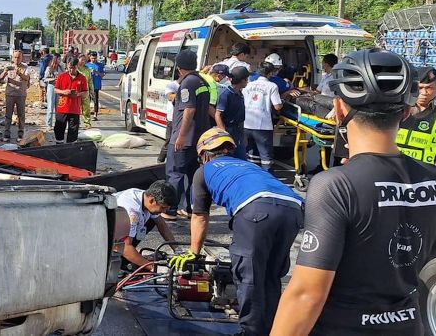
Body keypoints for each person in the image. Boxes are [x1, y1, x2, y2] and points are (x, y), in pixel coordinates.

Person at [271, 49, 436, 336]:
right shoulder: (431, 180)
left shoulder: (335, 186)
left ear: (339, 109)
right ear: (408, 111)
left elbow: (306, 295)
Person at [171, 128, 302, 336]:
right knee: (270, 274)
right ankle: (274, 329)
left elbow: (199, 216)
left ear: (204, 154)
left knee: (249, 276)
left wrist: (194, 253)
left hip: (256, 210)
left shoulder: (204, 171)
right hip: (293, 209)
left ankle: (250, 331)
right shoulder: (248, 165)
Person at [165, 49, 211, 219]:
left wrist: (181, 136)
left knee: (175, 173)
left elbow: (189, 109)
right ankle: (188, 208)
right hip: (198, 139)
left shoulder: (187, 84)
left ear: (179, 67)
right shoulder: (202, 82)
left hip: (184, 138)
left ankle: (170, 210)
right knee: (192, 175)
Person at [114, 181, 177, 270]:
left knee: (154, 218)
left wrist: (177, 250)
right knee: (125, 249)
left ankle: (132, 258)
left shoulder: (146, 197)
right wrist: (153, 268)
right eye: (163, 207)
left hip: (120, 234)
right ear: (152, 200)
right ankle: (123, 260)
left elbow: (162, 225)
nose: (164, 211)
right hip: (106, 242)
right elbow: (124, 247)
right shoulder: (132, 211)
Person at [243, 60, 283, 171]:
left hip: (247, 123)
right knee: (266, 156)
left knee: (251, 154)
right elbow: (277, 106)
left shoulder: (248, 84)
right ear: (270, 73)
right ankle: (267, 179)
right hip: (263, 126)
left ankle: (252, 176)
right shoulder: (272, 86)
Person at [397, 66, 436, 164]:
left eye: (429, 88)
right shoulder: (396, 111)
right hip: (397, 171)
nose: (424, 93)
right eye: (420, 88)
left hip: (428, 174)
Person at [215, 66, 250, 160]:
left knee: (242, 160)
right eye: (246, 79)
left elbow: (241, 117)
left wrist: (243, 136)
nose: (247, 81)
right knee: (228, 159)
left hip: (238, 132)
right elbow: (218, 115)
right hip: (228, 130)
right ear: (242, 80)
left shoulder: (240, 94)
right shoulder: (226, 94)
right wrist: (224, 135)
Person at [54, 58, 88, 143]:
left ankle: (71, 147)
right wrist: (64, 92)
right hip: (62, 107)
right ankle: (59, 143)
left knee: (73, 130)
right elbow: (55, 89)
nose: (71, 69)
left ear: (77, 67)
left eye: (73, 67)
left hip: (75, 109)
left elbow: (85, 92)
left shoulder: (82, 78)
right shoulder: (62, 76)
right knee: (59, 127)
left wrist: (78, 94)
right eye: (69, 67)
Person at [0, 50, 30, 142]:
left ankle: (20, 134)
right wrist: (4, 72)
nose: (17, 59)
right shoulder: (8, 67)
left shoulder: (25, 67)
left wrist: (19, 73)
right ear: (12, 58)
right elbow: (0, 79)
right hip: (10, 94)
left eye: (18, 57)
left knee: (21, 115)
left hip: (21, 94)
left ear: (22, 58)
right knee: (8, 115)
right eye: (15, 57)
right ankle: (7, 134)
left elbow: (27, 78)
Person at [157, 79, 180, 164]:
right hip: (172, 118)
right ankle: (160, 159)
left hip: (180, 118)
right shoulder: (172, 85)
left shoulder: (188, 84)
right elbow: (170, 97)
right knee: (170, 140)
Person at [86, 52, 105, 121]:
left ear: (96, 58)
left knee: (95, 100)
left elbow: (103, 75)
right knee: (87, 100)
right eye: (92, 58)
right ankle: (86, 114)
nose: (93, 59)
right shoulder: (86, 65)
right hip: (87, 85)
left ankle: (95, 115)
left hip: (96, 85)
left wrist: (97, 72)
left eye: (94, 58)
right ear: (89, 57)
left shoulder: (100, 65)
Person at [43, 55, 62, 127]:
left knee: (58, 107)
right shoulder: (49, 68)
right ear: (55, 59)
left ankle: (58, 124)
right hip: (51, 87)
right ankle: (49, 124)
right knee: (50, 107)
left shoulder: (60, 68)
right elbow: (45, 79)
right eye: (59, 59)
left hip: (59, 88)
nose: (60, 60)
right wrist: (53, 79)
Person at [77, 54, 94, 128]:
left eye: (85, 60)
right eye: (82, 59)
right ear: (78, 59)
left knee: (86, 108)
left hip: (85, 91)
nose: (83, 61)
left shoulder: (87, 69)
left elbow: (90, 80)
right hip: (77, 91)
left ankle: (87, 123)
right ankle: (76, 123)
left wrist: (91, 90)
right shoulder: (75, 68)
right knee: (76, 108)